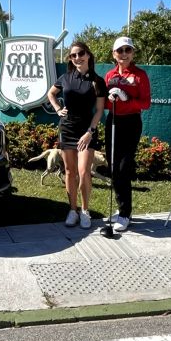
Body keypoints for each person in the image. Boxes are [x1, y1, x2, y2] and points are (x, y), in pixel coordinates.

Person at [47, 41, 106, 229]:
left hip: (86, 132)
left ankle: (85, 211)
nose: (77, 58)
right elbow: (51, 93)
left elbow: (99, 110)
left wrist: (90, 132)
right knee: (70, 172)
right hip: (67, 130)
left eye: (80, 53)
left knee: (84, 172)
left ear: (88, 55)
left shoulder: (97, 81)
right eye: (73, 55)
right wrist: (57, 109)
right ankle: (72, 210)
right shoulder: (65, 77)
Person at [103, 36, 151, 232]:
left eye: (127, 50)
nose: (124, 54)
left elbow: (146, 103)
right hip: (112, 121)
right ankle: (123, 208)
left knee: (123, 168)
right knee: (113, 168)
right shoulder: (109, 75)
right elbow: (104, 104)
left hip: (131, 123)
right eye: (120, 50)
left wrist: (127, 98)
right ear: (114, 54)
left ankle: (124, 214)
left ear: (132, 53)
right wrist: (110, 99)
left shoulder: (140, 75)